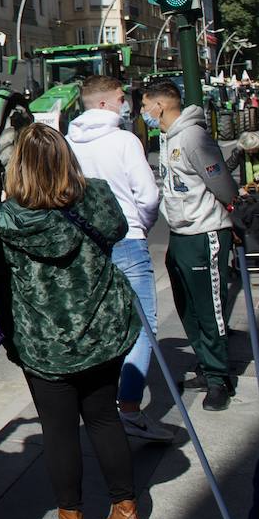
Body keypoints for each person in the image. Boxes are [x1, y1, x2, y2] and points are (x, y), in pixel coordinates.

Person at [0, 124, 142, 519]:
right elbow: (118, 230)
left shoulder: (7, 218)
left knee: (60, 430)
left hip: (42, 340)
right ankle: (128, 515)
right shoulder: (97, 194)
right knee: (105, 419)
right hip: (102, 329)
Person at [65, 76, 173, 443]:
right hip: (127, 240)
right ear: (104, 104)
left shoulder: (67, 144)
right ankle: (129, 407)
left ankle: (99, 404)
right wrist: (139, 226)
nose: (126, 103)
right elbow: (147, 194)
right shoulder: (125, 141)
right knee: (142, 324)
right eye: (120, 98)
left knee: (99, 325)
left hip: (86, 246)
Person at [142, 80, 239, 411]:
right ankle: (205, 362)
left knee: (210, 308)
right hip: (180, 233)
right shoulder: (166, 136)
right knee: (187, 306)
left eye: (145, 106)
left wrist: (232, 213)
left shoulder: (192, 136)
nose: (143, 113)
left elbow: (220, 180)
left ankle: (219, 377)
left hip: (204, 231)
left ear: (161, 106)